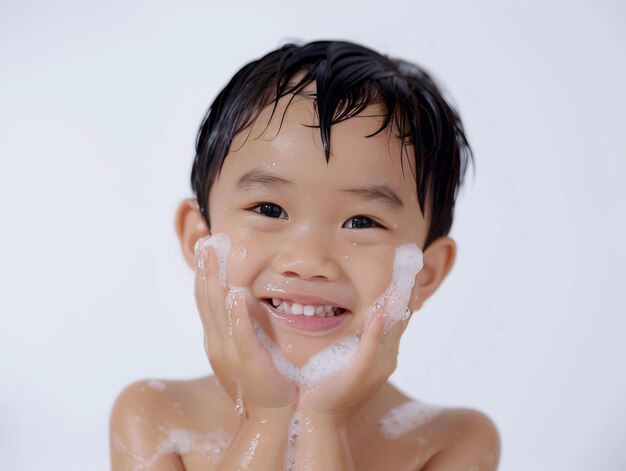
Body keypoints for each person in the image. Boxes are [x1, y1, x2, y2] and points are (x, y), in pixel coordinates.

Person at [109, 40, 501, 470]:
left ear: (424, 274)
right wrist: (268, 419)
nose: (309, 260)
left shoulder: (449, 443)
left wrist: (321, 422)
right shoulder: (155, 416)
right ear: (198, 240)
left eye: (362, 222)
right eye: (269, 210)